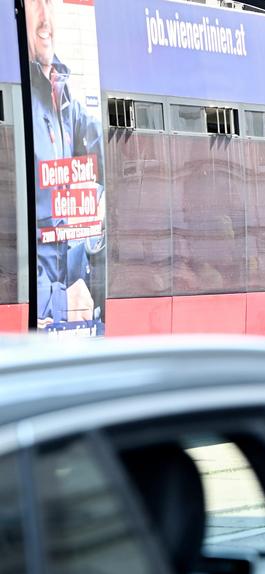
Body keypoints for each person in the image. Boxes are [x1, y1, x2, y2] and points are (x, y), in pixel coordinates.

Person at [28, 0, 105, 330]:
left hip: (71, 290)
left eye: (49, 1)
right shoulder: (22, 97)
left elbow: (104, 162)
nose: (45, 15)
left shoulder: (63, 88)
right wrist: (58, 299)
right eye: (35, 3)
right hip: (43, 310)